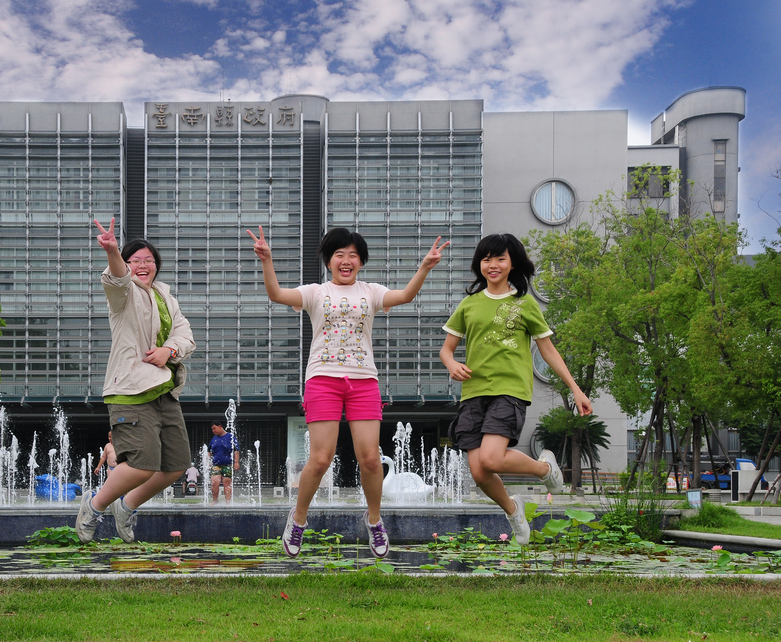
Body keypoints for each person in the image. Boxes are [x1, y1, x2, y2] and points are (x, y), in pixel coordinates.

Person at [249, 225, 448, 558]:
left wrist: (425, 267)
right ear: (329, 261)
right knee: (320, 459)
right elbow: (277, 295)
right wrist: (267, 261)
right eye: (339, 254)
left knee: (370, 459)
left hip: (364, 381)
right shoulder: (315, 292)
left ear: (361, 261)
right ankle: (298, 520)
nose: (346, 260)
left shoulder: (371, 292)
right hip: (323, 379)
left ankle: (374, 521)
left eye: (353, 255)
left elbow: (404, 296)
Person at [439, 233, 592, 546]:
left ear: (512, 264)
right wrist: (452, 364)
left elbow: (547, 350)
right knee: (479, 472)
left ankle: (544, 468)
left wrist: (575, 388)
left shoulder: (524, 304)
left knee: (492, 459)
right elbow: (446, 349)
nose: (493, 265)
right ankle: (513, 509)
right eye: (487, 259)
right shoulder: (470, 304)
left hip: (510, 390)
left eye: (500, 258)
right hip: (474, 393)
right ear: (479, 264)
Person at [75, 219, 196, 543]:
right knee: (142, 465)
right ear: (128, 264)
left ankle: (126, 506)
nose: (143, 265)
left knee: (175, 465)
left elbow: (185, 335)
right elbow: (116, 278)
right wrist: (113, 251)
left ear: (157, 265)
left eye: (149, 260)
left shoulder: (166, 297)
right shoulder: (124, 293)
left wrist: (169, 350)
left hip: (165, 392)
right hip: (130, 389)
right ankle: (94, 505)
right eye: (136, 260)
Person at [208, 421, 240, 504]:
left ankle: (228, 502)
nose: (213, 431)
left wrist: (236, 462)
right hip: (216, 464)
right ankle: (215, 500)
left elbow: (236, 450)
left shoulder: (230, 437)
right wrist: (208, 462)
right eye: (212, 429)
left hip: (227, 464)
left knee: (227, 483)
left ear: (220, 426)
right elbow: (208, 450)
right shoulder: (214, 439)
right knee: (214, 482)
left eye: (214, 428)